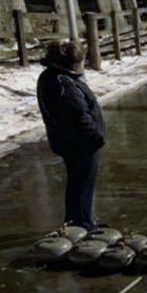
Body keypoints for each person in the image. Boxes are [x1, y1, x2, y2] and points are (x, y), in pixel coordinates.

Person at [36, 41, 107, 230]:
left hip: (69, 141)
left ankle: (76, 220)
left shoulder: (54, 77)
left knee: (77, 183)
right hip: (80, 144)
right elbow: (78, 116)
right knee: (82, 185)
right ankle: (82, 225)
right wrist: (96, 137)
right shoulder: (62, 83)